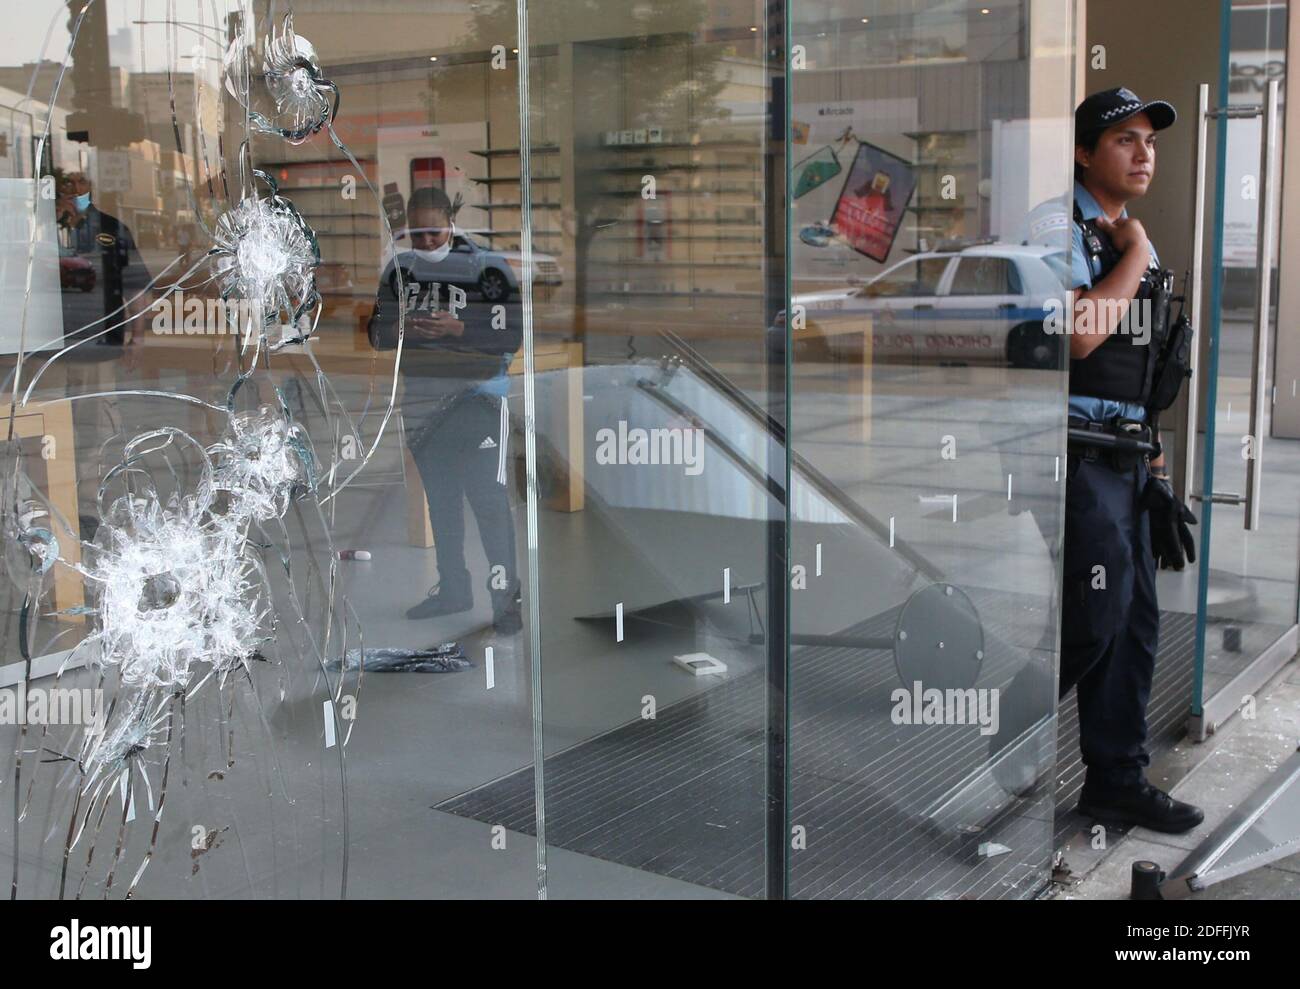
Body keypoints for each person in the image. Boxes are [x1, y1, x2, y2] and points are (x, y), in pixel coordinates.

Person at [1060, 88, 1202, 833]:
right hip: (1077, 458)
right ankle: (983, 731)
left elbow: (1141, 366)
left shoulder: (1120, 232)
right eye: (1124, 139)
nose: (1144, 152)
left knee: (1136, 622)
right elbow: (1081, 335)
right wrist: (1139, 253)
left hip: (1125, 456)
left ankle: (1116, 779)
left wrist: (1156, 470)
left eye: (1149, 139)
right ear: (1084, 152)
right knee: (1096, 613)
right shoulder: (1064, 229)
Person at [368, 186, 522, 634]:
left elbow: (511, 334)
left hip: (478, 400)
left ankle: (506, 602)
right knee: (442, 502)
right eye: (417, 235)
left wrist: (459, 328)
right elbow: (376, 333)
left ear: (450, 223)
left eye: (434, 232)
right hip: (422, 400)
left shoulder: (487, 266)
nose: (427, 243)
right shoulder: (400, 269)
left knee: (489, 503)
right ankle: (454, 590)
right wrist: (404, 324)